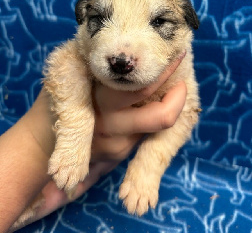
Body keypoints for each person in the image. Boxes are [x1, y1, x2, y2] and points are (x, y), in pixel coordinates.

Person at [0, 54, 187, 232]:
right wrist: (43, 143)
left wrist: (147, 167)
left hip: (78, 182)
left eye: (158, 22)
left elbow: (186, 113)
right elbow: (67, 64)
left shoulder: (179, 66)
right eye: (99, 18)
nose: (122, 59)